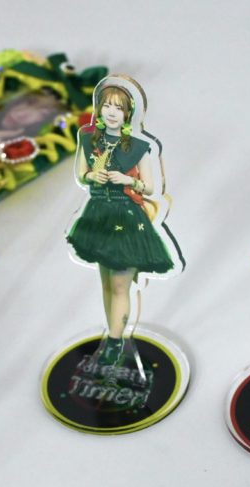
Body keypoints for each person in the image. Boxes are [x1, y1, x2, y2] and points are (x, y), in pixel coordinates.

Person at [65, 82, 181, 365]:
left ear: (128, 113)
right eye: (107, 105)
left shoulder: (139, 147)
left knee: (120, 286)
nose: (111, 112)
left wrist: (128, 179)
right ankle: (112, 336)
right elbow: (81, 174)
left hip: (126, 218)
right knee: (106, 284)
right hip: (96, 215)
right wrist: (92, 176)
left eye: (118, 107)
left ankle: (115, 344)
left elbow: (150, 187)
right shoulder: (88, 138)